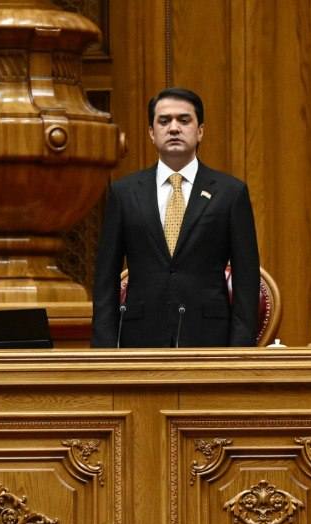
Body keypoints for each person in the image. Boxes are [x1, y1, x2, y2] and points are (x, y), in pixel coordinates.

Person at [91, 87, 260, 347]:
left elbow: (246, 278)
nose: (173, 128)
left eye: (183, 120)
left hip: (209, 339)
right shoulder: (124, 193)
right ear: (151, 132)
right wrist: (104, 351)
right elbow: (106, 277)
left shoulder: (230, 193)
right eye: (164, 121)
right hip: (140, 339)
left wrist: (240, 351)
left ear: (200, 131)